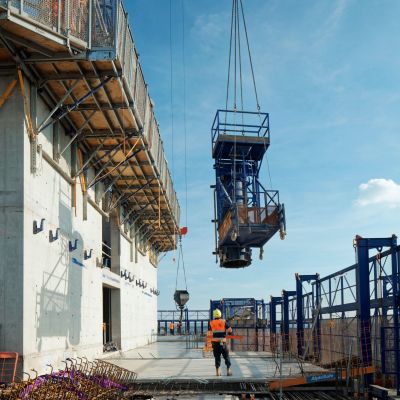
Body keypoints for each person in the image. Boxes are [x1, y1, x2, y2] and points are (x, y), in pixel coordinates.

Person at [209, 309, 232, 376]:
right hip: (223, 342)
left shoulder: (211, 322)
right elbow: (230, 330)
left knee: (217, 357)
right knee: (226, 356)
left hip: (215, 343)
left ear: (214, 315)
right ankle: (228, 371)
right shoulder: (224, 321)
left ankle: (217, 372)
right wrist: (229, 333)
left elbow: (210, 332)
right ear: (220, 314)